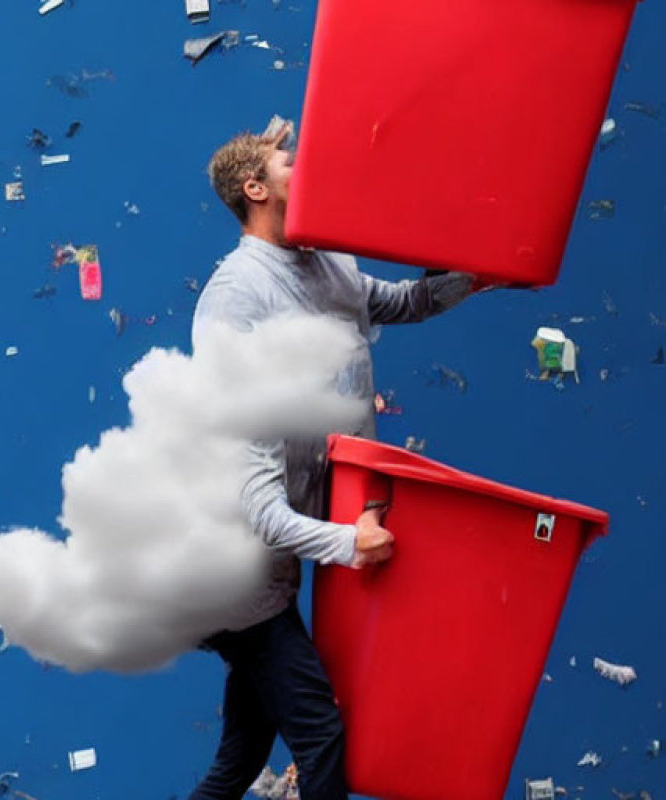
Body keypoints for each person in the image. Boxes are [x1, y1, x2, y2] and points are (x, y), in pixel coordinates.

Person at [188, 120, 476, 800]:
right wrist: (351, 543)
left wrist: (474, 277)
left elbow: (399, 303)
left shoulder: (328, 263)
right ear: (255, 189)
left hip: (277, 566)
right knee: (323, 745)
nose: (305, 166)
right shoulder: (236, 297)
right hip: (237, 574)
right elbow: (256, 507)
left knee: (241, 757)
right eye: (288, 162)